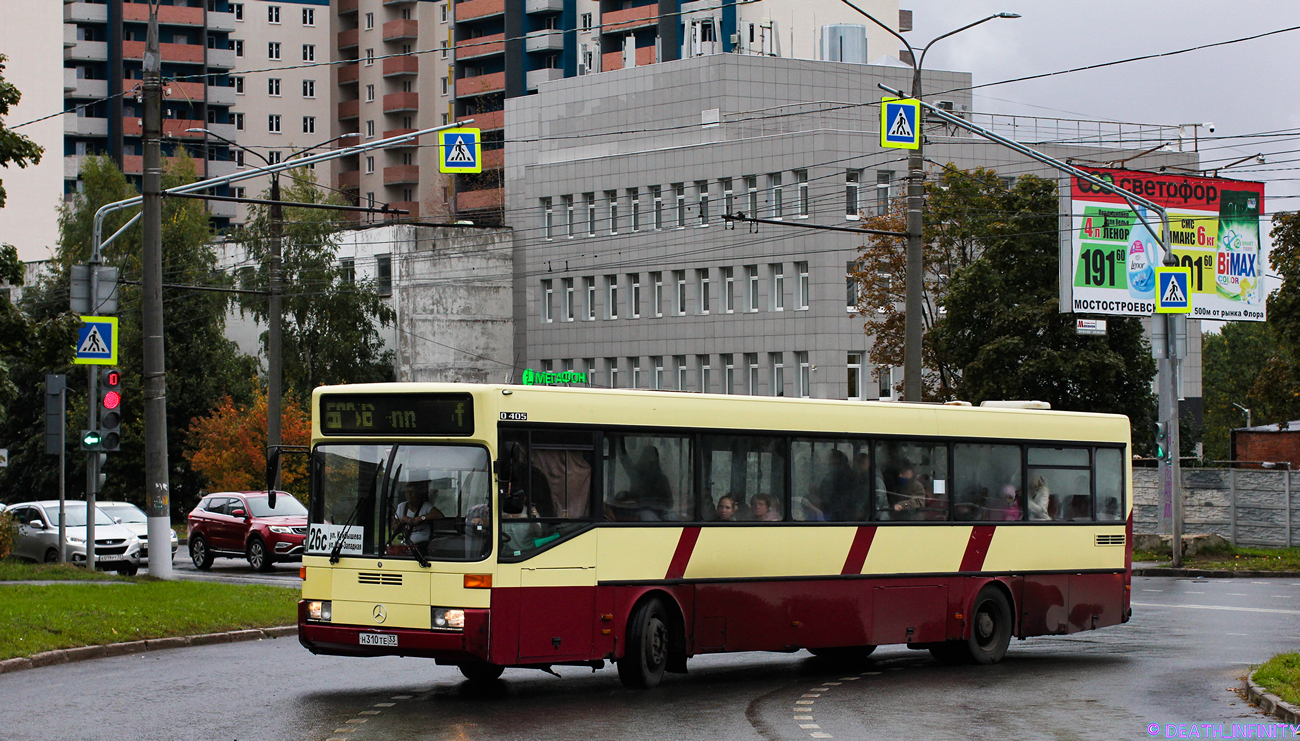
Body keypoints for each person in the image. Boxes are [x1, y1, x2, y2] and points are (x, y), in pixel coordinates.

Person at [393, 481, 445, 550]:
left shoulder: (425, 506)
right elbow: (394, 528)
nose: (409, 494)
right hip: (408, 546)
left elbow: (439, 515)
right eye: (406, 492)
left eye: (412, 492)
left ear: (418, 494)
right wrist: (403, 519)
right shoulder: (402, 507)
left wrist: (420, 518)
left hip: (424, 545)